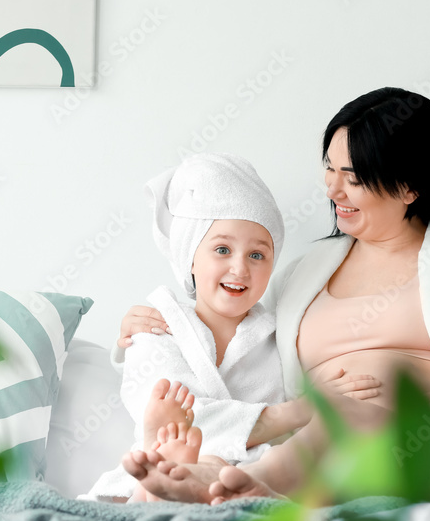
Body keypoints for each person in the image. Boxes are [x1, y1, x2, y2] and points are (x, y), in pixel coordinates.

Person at [118, 88, 430, 508]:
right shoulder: (299, 276)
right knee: (342, 421)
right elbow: (233, 351)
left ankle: (248, 489)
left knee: (350, 418)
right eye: (329, 169)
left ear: (409, 186)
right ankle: (247, 484)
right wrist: (157, 324)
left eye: (354, 176)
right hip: (327, 458)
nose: (333, 189)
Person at [84, 153, 379, 502]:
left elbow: (300, 421)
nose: (240, 268)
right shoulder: (155, 327)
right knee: (175, 445)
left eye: (257, 255)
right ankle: (168, 467)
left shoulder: (280, 337)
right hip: (156, 468)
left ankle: (181, 475)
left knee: (228, 469)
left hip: (249, 474)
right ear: (190, 257)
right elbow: (167, 410)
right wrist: (296, 411)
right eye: (222, 249)